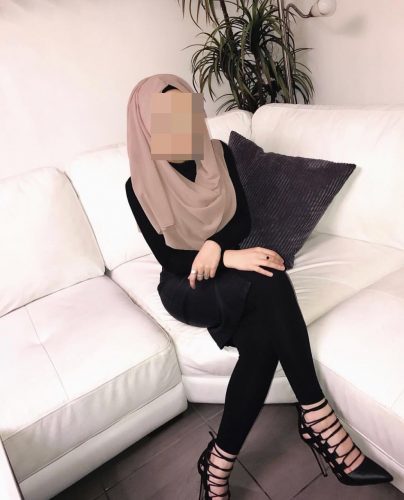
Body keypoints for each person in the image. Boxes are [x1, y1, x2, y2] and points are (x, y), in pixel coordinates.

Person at [125, 74, 393, 499]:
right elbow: (169, 259)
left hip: (227, 271)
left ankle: (217, 464)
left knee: (261, 342)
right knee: (269, 279)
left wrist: (217, 245)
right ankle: (318, 417)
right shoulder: (138, 184)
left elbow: (242, 221)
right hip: (186, 284)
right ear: (145, 123)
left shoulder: (217, 153)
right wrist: (227, 257)